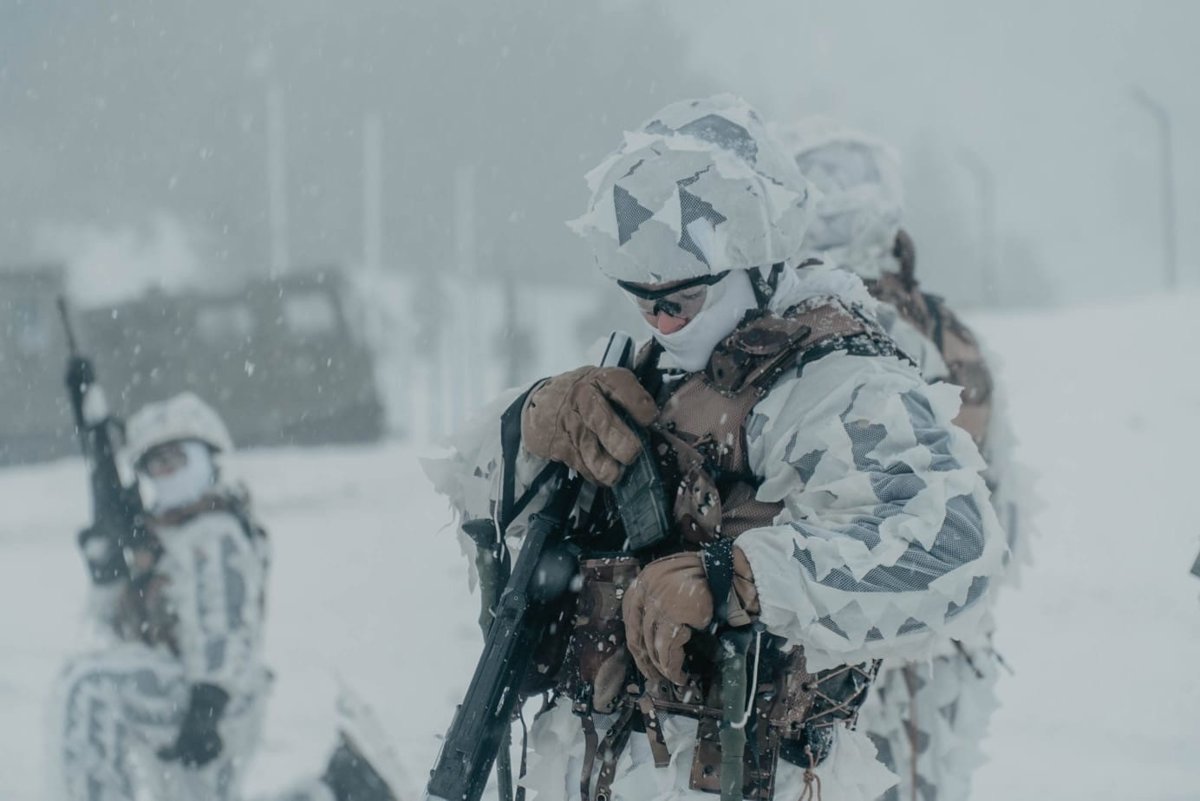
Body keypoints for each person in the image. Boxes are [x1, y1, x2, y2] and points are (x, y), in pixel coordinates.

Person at [424, 95, 1007, 801]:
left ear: (754, 265)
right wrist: (531, 420)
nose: (662, 323)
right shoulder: (648, 373)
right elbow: (473, 495)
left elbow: (955, 544)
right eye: (643, 300)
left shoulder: (833, 382)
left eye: (681, 301)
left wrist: (742, 577)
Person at [775, 117, 1034, 801]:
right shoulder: (938, 328)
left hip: (847, 636)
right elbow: (998, 501)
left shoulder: (826, 337)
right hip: (920, 632)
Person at [50, 392, 400, 801]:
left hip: (210, 699)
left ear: (205, 458)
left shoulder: (214, 533)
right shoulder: (166, 534)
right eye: (155, 464)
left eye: (176, 459)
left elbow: (225, 623)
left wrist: (208, 702)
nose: (166, 471)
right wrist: (107, 566)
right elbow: (115, 625)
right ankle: (331, 792)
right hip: (188, 693)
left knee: (89, 689)